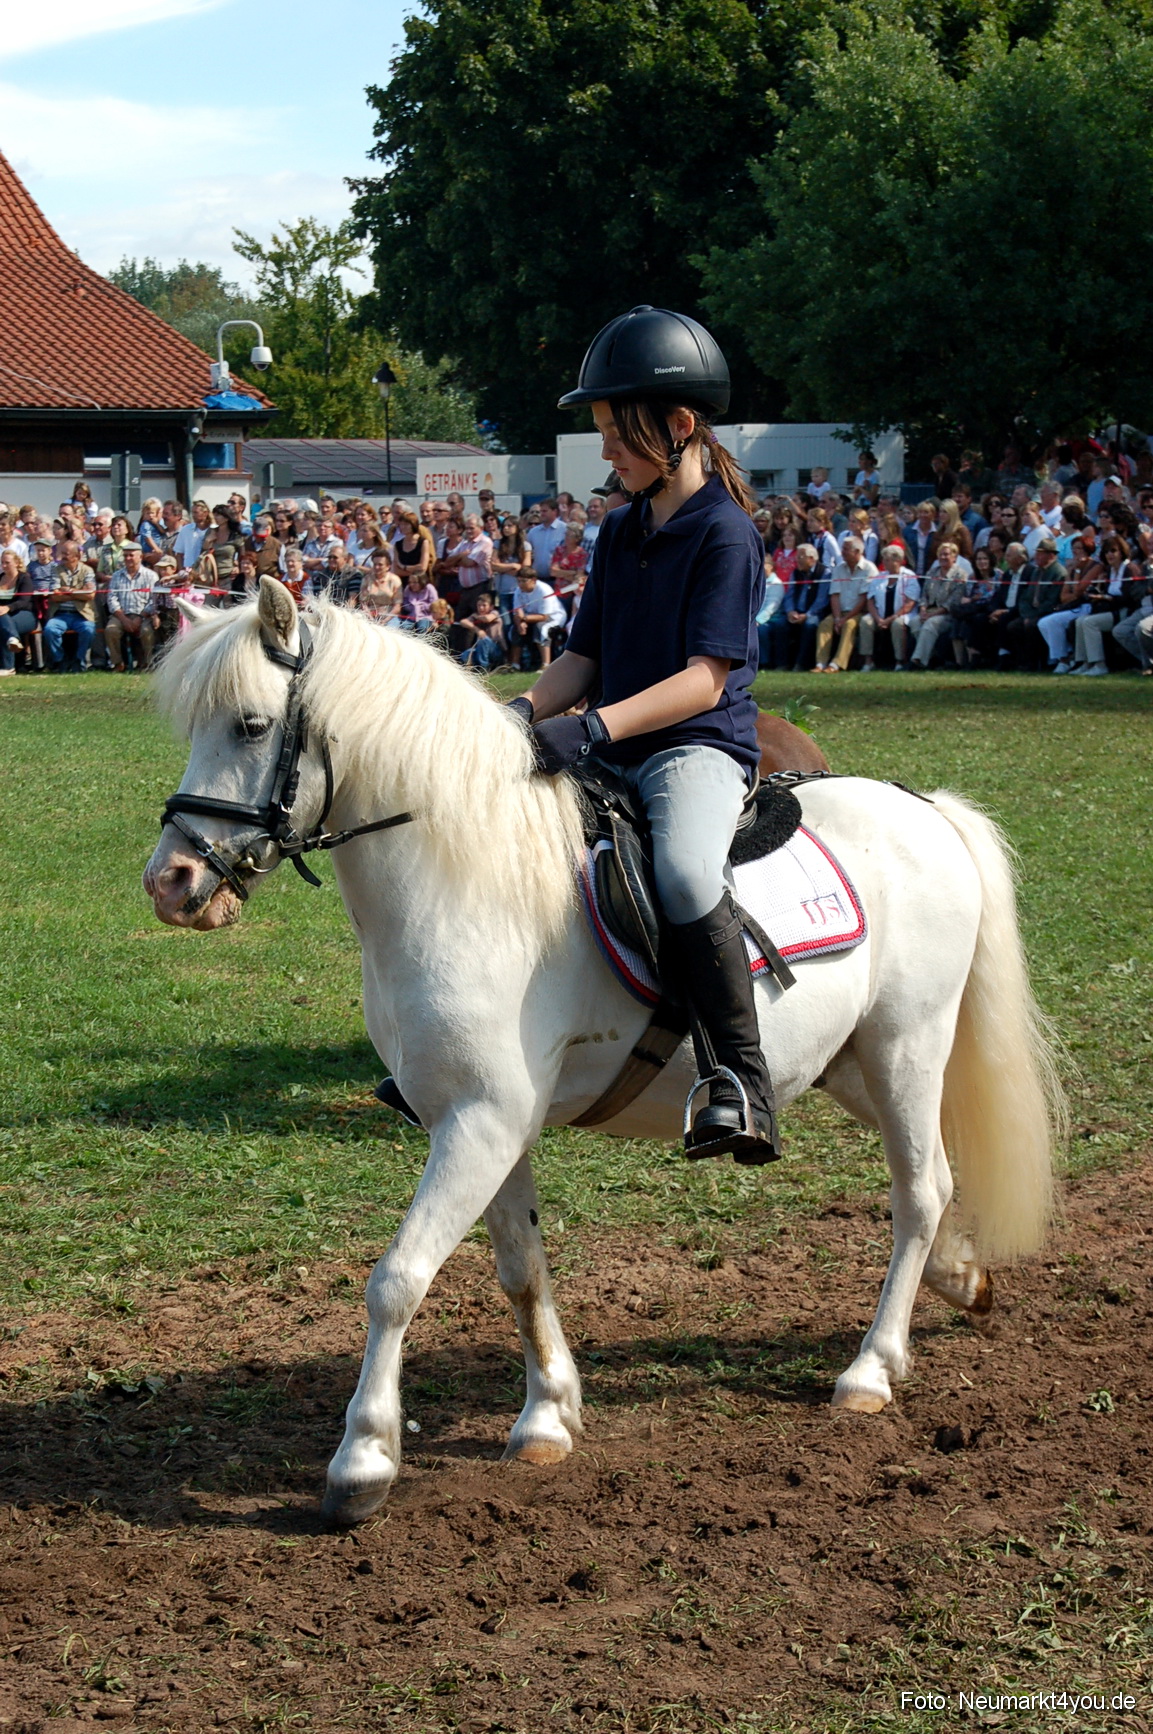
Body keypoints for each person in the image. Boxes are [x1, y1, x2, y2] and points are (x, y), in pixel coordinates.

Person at [516, 304, 779, 1163]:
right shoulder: (621, 527)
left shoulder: (726, 534)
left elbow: (706, 679)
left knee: (683, 868)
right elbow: (582, 653)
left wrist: (589, 729)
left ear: (678, 425)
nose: (606, 454)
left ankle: (740, 1079)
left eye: (617, 436)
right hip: (611, 736)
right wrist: (519, 715)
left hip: (696, 747)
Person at [814, 536, 877, 671]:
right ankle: (820, 663)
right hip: (840, 612)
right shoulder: (838, 569)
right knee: (825, 624)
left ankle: (836, 664)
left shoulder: (869, 569)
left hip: (859, 612)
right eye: (843, 548)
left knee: (849, 625)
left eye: (846, 549)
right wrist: (837, 618)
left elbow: (863, 599)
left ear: (858, 551)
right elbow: (834, 595)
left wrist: (844, 620)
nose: (842, 552)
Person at [859, 544, 920, 670]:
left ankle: (899, 661)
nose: (883, 563)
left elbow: (909, 604)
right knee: (866, 621)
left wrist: (891, 619)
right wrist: (878, 619)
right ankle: (868, 661)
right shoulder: (880, 576)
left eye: (887, 560)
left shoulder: (909, 576)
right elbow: (870, 600)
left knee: (898, 624)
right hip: (880, 616)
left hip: (900, 615)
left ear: (897, 561)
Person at [104, 542, 160, 670]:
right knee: (111, 630)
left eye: (131, 555)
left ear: (140, 557)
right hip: (121, 615)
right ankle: (118, 663)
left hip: (144, 615)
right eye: (125, 556)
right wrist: (123, 618)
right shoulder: (117, 576)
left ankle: (147, 663)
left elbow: (154, 601)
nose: (128, 558)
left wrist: (140, 617)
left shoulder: (151, 576)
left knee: (146, 631)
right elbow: (111, 598)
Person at [43, 541, 98, 670]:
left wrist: (67, 590)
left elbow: (90, 595)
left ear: (76, 556)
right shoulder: (56, 570)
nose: (62, 556)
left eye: (66, 554)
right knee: (50, 630)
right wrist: (79, 592)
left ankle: (79, 660)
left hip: (82, 614)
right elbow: (55, 596)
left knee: (88, 630)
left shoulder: (87, 570)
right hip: (60, 614)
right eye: (62, 553)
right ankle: (60, 660)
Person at [509, 568, 565, 668]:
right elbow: (517, 611)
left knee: (541, 628)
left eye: (524, 581)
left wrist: (524, 618)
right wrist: (520, 623)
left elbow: (544, 616)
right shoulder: (518, 591)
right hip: (529, 617)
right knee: (515, 629)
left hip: (554, 617)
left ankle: (545, 664)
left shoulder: (544, 590)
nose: (520, 584)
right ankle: (515, 664)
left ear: (533, 580)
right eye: (519, 581)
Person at [549, 519, 588, 618]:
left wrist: (561, 573)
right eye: (565, 534)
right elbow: (553, 572)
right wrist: (572, 572)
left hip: (572, 593)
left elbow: (579, 577)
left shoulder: (582, 554)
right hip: (558, 590)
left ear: (577, 538)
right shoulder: (559, 550)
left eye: (569, 535)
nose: (566, 537)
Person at [356, 548, 401, 622]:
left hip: (389, 617)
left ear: (388, 566)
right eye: (375, 564)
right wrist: (371, 619)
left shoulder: (395, 580)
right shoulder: (367, 580)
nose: (377, 567)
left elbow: (397, 607)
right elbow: (363, 604)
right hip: (369, 616)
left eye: (380, 565)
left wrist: (384, 621)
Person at [526, 498, 566, 578]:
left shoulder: (564, 529)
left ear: (554, 511)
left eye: (545, 511)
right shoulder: (533, 532)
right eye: (541, 511)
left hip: (557, 578)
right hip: (537, 578)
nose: (541, 514)